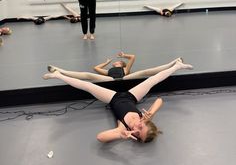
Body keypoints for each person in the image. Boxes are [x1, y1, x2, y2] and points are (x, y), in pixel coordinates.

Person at [43, 59, 193, 143]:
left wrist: (119, 134)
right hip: (131, 96)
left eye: (138, 132)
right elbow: (159, 100)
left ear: (135, 136)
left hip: (112, 98)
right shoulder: (145, 118)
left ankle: (58, 75)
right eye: (143, 126)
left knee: (87, 85)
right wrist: (152, 112)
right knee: (152, 80)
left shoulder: (124, 129)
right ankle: (177, 66)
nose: (138, 126)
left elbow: (100, 137)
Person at [47, 52, 182, 83]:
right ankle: (59, 71)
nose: (114, 62)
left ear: (121, 64)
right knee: (87, 75)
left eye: (117, 61)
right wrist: (106, 62)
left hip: (125, 78)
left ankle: (174, 62)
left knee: (146, 72)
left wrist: (124, 55)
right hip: (111, 80)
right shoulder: (108, 71)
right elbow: (95, 68)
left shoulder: (125, 69)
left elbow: (133, 57)